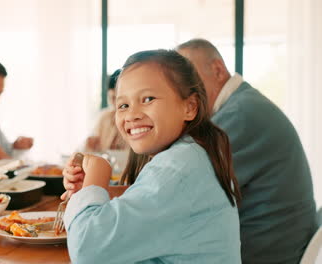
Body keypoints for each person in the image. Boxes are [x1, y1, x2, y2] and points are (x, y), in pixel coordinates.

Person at [61, 49, 242, 263]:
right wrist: (93, 191)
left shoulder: (175, 169)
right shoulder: (191, 154)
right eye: (123, 105)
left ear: (190, 107)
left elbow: (86, 249)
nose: (132, 114)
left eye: (147, 99)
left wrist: (95, 180)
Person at [176, 38, 317, 264]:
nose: (184, 94)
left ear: (217, 70)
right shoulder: (245, 104)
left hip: (264, 253)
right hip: (278, 245)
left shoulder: (240, 114)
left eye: (189, 83)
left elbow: (184, 189)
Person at [85, 69, 128, 152]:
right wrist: (91, 144)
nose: (115, 103)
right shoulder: (105, 117)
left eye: (118, 98)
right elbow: (94, 143)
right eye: (112, 97)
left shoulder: (131, 118)